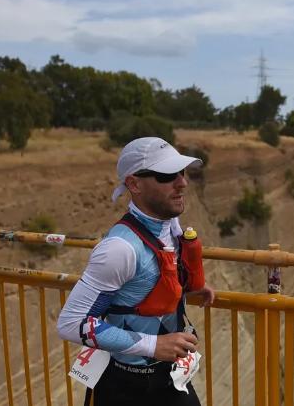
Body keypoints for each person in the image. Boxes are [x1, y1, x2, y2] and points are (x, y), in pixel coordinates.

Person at [57, 137, 215, 406]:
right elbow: (72, 324)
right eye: (166, 175)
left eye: (182, 172)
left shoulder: (169, 222)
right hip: (125, 385)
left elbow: (159, 271)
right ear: (134, 184)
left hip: (170, 376)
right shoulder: (119, 249)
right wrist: (154, 345)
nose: (182, 182)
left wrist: (190, 284)